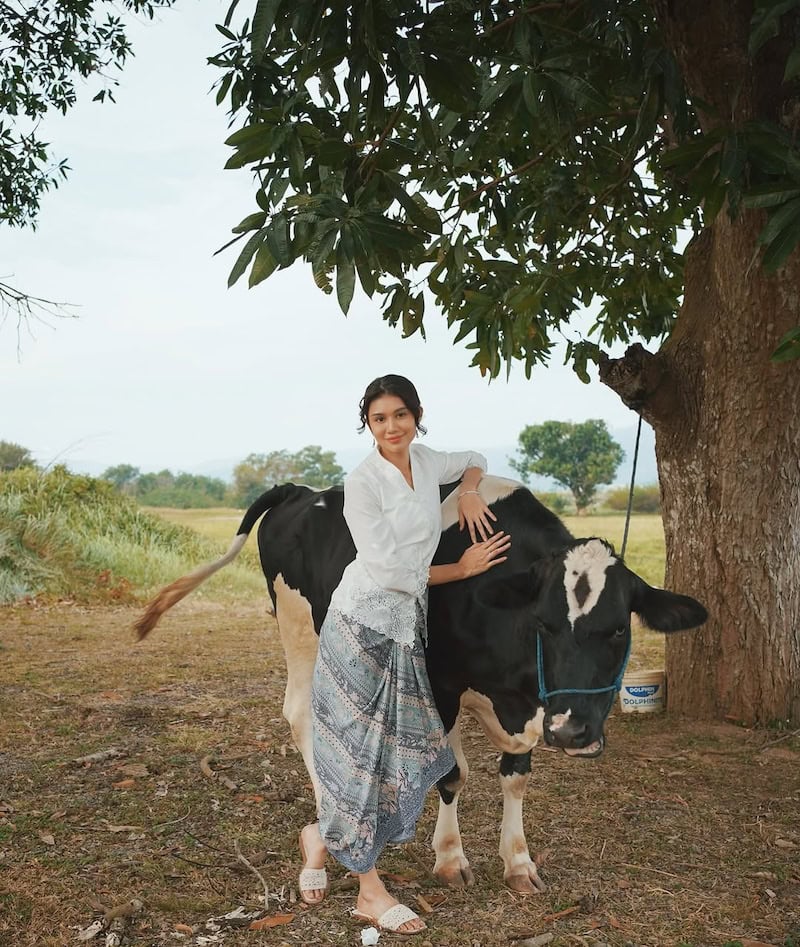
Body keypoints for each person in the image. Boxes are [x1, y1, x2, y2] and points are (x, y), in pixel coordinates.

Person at [297, 374, 511, 935]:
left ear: (416, 414)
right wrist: (460, 569)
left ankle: (320, 837)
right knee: (356, 754)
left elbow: (476, 456)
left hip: (404, 631)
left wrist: (467, 489)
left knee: (393, 750)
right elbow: (390, 570)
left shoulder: (426, 459)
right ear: (367, 424)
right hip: (360, 624)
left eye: (400, 415)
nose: (391, 427)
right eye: (378, 419)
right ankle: (369, 890)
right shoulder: (363, 482)